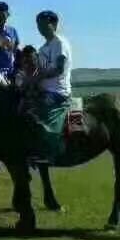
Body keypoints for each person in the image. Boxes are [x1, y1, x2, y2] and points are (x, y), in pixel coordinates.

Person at [19, 11, 73, 164]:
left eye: (44, 24)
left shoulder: (59, 43)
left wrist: (37, 78)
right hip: (43, 90)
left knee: (35, 112)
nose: (41, 27)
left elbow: (59, 69)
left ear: (54, 24)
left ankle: (46, 151)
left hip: (57, 91)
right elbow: (37, 69)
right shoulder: (42, 48)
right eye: (39, 25)